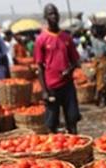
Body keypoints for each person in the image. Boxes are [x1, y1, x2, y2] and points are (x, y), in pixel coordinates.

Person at [35, 4, 81, 134]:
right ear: (45, 17)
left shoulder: (66, 38)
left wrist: (69, 69)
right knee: (52, 123)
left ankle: (75, 146)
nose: (53, 16)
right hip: (51, 87)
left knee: (72, 119)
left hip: (67, 85)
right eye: (50, 14)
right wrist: (44, 90)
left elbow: (75, 61)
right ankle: (55, 148)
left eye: (55, 13)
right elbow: (39, 66)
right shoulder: (41, 39)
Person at [90, 25, 106, 107]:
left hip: (96, 61)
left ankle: (100, 98)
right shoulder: (103, 44)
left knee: (98, 80)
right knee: (103, 82)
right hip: (103, 62)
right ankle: (101, 100)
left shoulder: (94, 41)